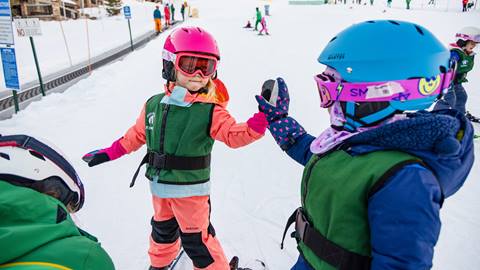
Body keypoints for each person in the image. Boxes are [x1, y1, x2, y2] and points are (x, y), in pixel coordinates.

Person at [254, 20, 474, 270]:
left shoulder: (406, 181)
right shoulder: (360, 139)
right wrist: (280, 121)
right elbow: (322, 158)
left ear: (375, 94)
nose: (326, 104)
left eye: (330, 90)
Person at [82, 27, 267, 270]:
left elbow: (233, 135)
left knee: (197, 243)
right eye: (190, 65)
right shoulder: (153, 105)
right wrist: (110, 152)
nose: (199, 74)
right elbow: (136, 135)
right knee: (162, 232)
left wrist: (261, 121)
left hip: (191, 192)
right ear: (170, 65)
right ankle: (159, 265)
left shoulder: (210, 110)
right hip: (160, 190)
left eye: (207, 66)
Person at [0, 134, 115, 270]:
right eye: (68, 209)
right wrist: (111, 152)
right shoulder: (85, 257)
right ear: (54, 193)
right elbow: (136, 134)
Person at [435, 26, 479, 116]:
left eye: (475, 44)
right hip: (447, 81)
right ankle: (436, 115)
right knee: (449, 99)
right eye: (471, 43)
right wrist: (452, 59)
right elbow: (446, 65)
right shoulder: (455, 53)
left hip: (456, 81)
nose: (474, 46)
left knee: (462, 97)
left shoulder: (468, 53)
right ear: (463, 41)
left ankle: (459, 115)